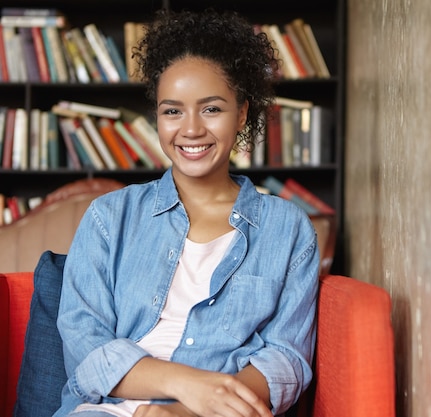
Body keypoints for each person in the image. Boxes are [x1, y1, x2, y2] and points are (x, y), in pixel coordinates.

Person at [53, 8, 320, 417]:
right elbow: (86, 350)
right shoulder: (109, 217)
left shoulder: (287, 229)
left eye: (211, 109)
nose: (191, 129)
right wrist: (183, 383)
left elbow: (286, 359)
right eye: (172, 111)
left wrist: (185, 412)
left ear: (243, 113)